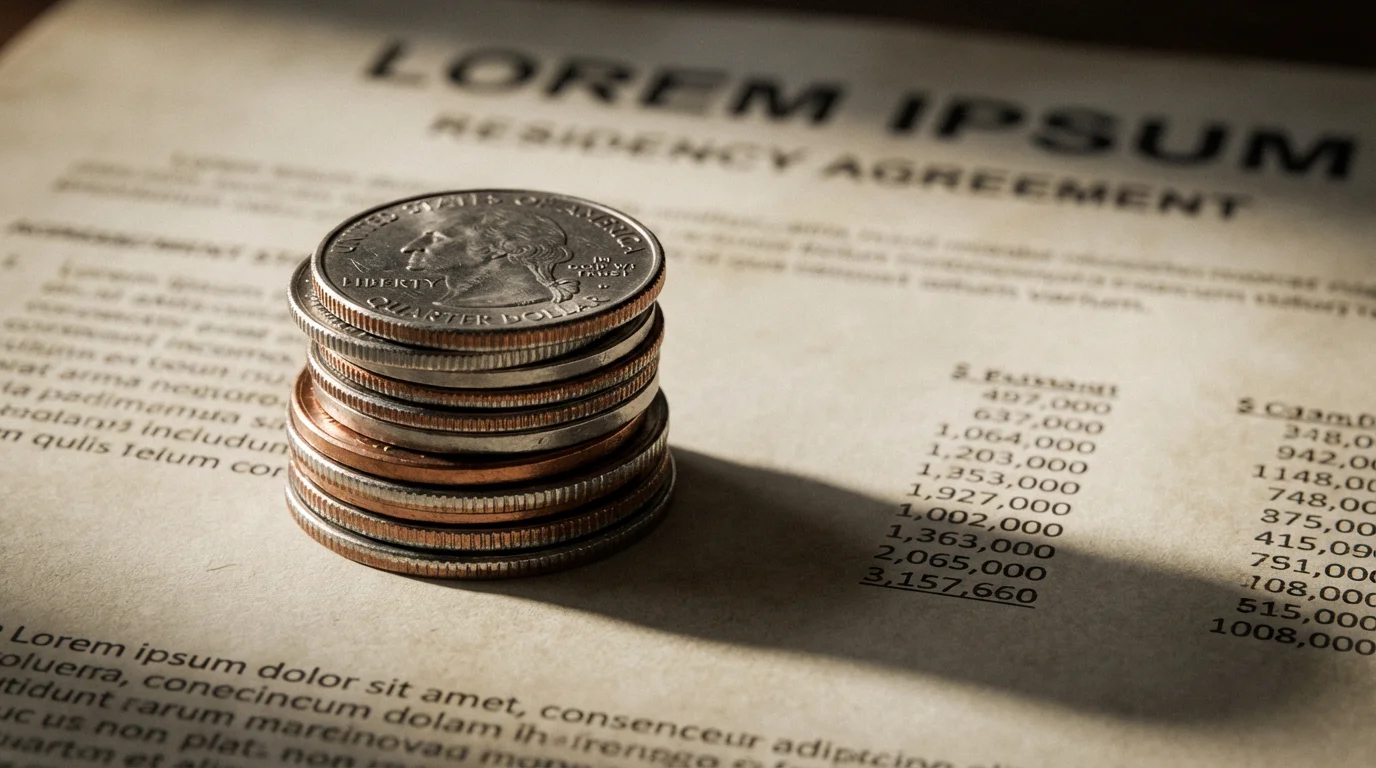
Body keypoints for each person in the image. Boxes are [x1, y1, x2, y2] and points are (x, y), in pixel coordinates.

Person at [401, 207, 580, 308]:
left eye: (438, 239)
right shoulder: (457, 300)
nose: (409, 248)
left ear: (495, 248)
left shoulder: (485, 303)